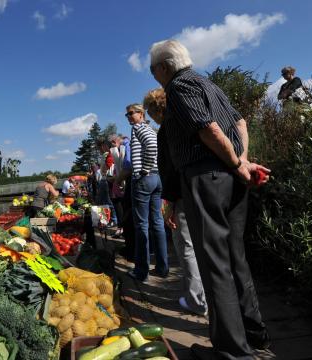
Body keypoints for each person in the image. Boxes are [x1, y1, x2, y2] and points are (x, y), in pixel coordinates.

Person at [149, 39, 271, 359]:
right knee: (235, 258)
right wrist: (242, 162)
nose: (153, 76)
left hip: (207, 178)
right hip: (229, 178)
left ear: (163, 67)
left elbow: (208, 129)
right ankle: (254, 335)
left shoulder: (179, 86)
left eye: (152, 70)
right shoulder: (209, 84)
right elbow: (240, 123)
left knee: (214, 264)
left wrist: (234, 163)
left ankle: (232, 351)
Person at [143, 87, 208, 317]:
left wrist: (168, 202)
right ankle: (215, 297)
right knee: (209, 244)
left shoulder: (166, 130)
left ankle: (196, 300)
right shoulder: (191, 120)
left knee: (186, 245)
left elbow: (169, 170)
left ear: (154, 110)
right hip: (207, 187)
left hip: (182, 192)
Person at [124, 103, 168, 282]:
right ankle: (162, 267)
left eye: (131, 113)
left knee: (141, 225)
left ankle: (141, 271)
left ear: (141, 114)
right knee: (157, 222)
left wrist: (144, 169)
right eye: (127, 115)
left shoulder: (138, 128)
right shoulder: (150, 129)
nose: (129, 117)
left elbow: (151, 147)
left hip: (144, 179)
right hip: (157, 178)